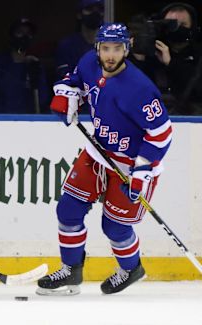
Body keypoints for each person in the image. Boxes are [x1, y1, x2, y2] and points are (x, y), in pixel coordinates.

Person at [37, 23, 172, 295]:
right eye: (106, 48)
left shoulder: (140, 89)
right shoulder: (89, 62)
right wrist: (68, 96)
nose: (110, 55)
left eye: (117, 49)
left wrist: (142, 172)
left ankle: (131, 268)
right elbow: (75, 82)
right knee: (68, 209)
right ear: (97, 48)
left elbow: (161, 134)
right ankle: (71, 271)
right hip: (98, 152)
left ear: (127, 48)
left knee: (114, 227)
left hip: (131, 165)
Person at [130, 2, 202, 115]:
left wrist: (171, 63)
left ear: (192, 27)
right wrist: (137, 58)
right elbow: (131, 91)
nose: (176, 29)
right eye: (171, 25)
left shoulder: (198, 54)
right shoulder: (151, 53)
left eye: (183, 25)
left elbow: (197, 91)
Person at [0, 17, 49, 114]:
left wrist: (35, 79)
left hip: (27, 122)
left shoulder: (34, 66)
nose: (24, 37)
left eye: (28, 34)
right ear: (12, 36)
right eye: (20, 32)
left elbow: (42, 100)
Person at [55, 0, 105, 80]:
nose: (95, 13)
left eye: (100, 9)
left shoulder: (110, 44)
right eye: (89, 9)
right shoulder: (67, 46)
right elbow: (65, 79)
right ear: (79, 15)